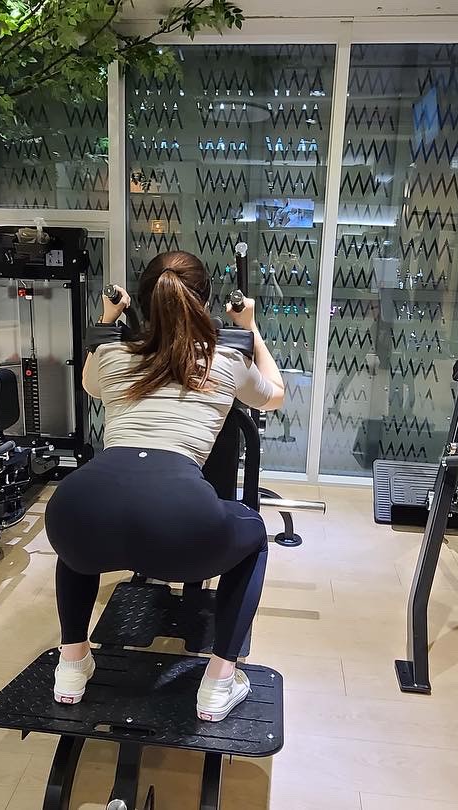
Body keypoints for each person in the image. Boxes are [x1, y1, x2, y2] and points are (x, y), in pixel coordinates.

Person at [44, 250, 287, 722]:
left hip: (77, 505)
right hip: (179, 521)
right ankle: (219, 681)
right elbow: (274, 395)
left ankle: (71, 665)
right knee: (254, 535)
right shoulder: (225, 359)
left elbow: (91, 384)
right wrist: (251, 327)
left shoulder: (111, 355)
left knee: (79, 540)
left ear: (142, 300)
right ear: (205, 302)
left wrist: (107, 319)